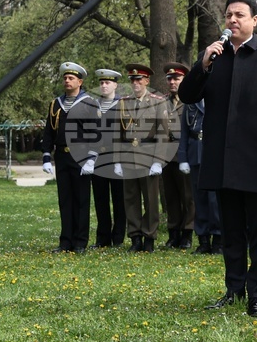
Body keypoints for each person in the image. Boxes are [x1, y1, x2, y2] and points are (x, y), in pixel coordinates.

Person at [178, 0, 257, 317]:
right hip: (223, 162)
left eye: (239, 15)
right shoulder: (214, 58)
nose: (232, 20)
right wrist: (201, 66)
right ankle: (234, 288)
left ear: (254, 21)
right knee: (230, 232)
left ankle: (256, 295)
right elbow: (187, 95)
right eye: (228, 15)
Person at [40, 62, 96, 253]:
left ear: (80, 81)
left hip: (81, 157)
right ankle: (65, 242)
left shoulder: (89, 103)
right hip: (62, 157)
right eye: (65, 78)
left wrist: (92, 158)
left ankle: (80, 242)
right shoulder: (56, 104)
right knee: (65, 200)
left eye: (71, 78)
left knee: (81, 200)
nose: (67, 81)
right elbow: (49, 131)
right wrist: (46, 155)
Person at [118, 64, 171, 252]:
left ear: (147, 81)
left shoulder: (157, 101)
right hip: (128, 156)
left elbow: (163, 134)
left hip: (149, 157)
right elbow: (119, 133)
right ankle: (135, 237)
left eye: (139, 79)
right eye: (132, 80)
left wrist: (158, 160)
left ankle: (149, 237)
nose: (135, 83)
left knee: (150, 200)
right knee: (130, 199)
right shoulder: (124, 102)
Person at [178, 94, 223, 254]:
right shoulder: (190, 103)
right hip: (195, 154)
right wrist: (182, 158)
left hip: (214, 156)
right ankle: (203, 239)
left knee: (214, 201)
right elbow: (184, 131)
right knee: (199, 199)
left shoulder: (220, 99)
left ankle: (218, 239)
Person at [160, 62, 195, 249]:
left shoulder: (191, 101)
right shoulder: (162, 102)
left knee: (188, 196)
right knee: (171, 197)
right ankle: (173, 233)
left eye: (177, 78)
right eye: (170, 79)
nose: (172, 82)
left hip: (185, 156)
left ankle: (188, 233)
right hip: (166, 156)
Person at [91, 69, 126, 248]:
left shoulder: (123, 104)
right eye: (102, 83)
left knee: (119, 199)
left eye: (108, 83)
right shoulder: (94, 105)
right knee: (101, 199)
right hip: (98, 158)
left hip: (117, 157)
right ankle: (102, 238)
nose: (104, 86)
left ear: (115, 85)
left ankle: (118, 237)